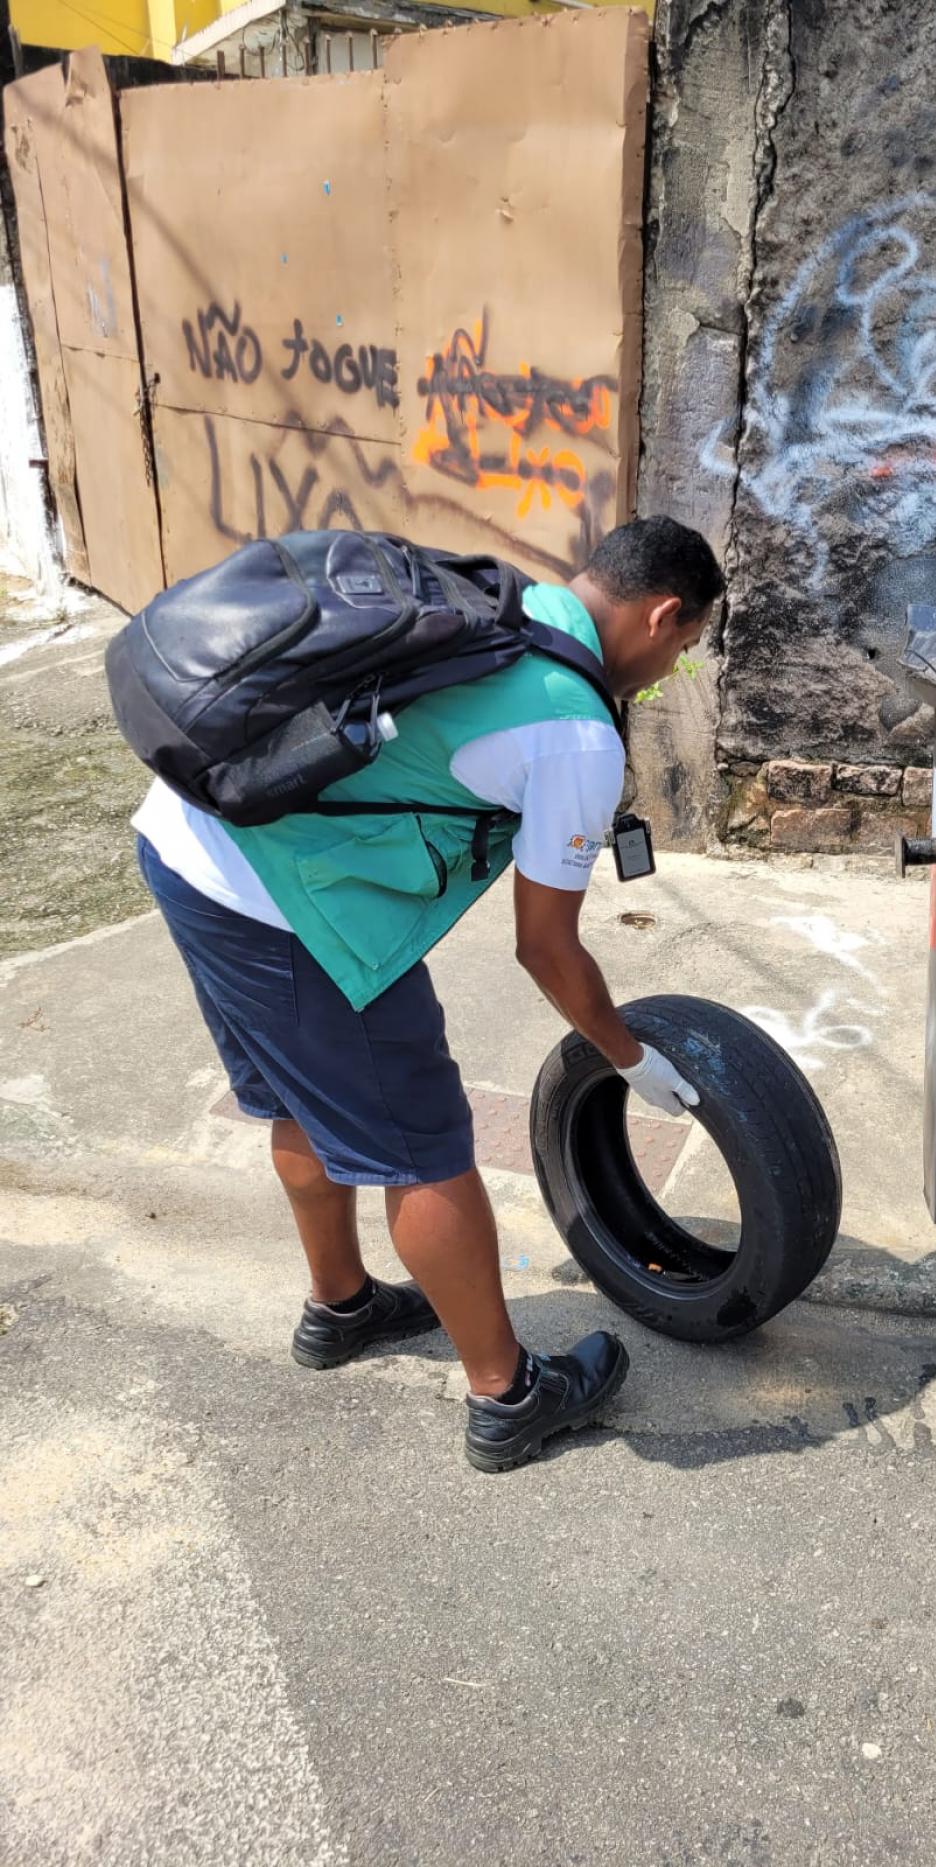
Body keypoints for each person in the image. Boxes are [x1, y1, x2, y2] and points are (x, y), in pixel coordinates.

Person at [131, 515, 723, 1473]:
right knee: (425, 1147)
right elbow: (546, 948)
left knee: (298, 1094)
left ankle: (342, 1305)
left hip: (187, 837)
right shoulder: (576, 732)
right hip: (283, 902)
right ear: (661, 615)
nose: (669, 671)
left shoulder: (513, 605)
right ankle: (508, 1395)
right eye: (684, 648)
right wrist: (626, 1053)